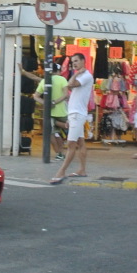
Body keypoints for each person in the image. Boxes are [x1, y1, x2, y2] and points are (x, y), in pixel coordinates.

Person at [50, 52, 93, 184]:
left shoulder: (86, 76)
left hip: (78, 114)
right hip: (74, 113)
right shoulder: (82, 75)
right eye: (73, 62)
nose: (74, 64)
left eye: (76, 61)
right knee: (80, 142)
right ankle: (82, 170)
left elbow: (69, 85)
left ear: (83, 61)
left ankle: (61, 172)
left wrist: (75, 73)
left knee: (71, 144)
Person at [32, 62, 68, 159]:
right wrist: (55, 102)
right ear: (58, 71)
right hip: (62, 112)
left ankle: (59, 153)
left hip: (50, 113)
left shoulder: (44, 81)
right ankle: (62, 152)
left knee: (52, 133)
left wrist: (46, 103)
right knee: (63, 130)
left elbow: (35, 96)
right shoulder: (62, 79)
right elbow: (66, 95)